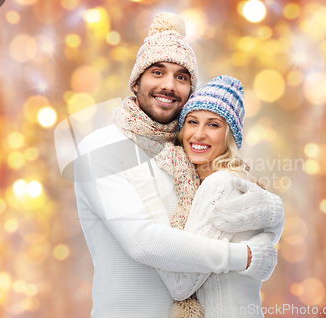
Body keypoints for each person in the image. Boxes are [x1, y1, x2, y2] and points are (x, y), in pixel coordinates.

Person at [74, 12, 277, 318]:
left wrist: (271, 212)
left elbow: (227, 215)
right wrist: (245, 257)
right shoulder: (100, 148)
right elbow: (142, 241)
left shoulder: (189, 156)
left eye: (181, 77)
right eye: (157, 72)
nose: (169, 86)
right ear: (137, 80)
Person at [126, 76, 284, 318]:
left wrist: (152, 211)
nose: (198, 134)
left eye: (213, 125)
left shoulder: (220, 184)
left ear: (229, 136)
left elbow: (180, 284)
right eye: (192, 122)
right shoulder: (227, 183)